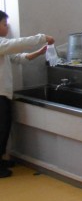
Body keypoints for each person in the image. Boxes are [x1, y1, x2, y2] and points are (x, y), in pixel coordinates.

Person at [0, 10, 55, 178]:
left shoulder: (3, 46)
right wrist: (42, 37)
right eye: (4, 24)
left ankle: (0, 160)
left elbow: (18, 58)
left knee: (4, 128)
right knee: (0, 129)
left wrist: (39, 52)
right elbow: (17, 44)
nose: (7, 27)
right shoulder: (2, 44)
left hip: (4, 94)